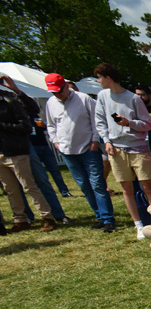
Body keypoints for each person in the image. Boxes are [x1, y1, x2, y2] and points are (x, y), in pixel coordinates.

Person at [44, 72, 116, 231]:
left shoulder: (83, 99)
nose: (57, 95)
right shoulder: (51, 103)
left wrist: (95, 141)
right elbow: (51, 125)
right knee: (84, 185)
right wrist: (55, 142)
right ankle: (99, 216)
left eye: (59, 91)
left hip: (88, 149)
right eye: (53, 92)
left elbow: (96, 121)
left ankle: (108, 219)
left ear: (66, 86)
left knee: (97, 184)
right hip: (67, 151)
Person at [94, 62, 151, 237]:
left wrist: (129, 123)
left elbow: (148, 124)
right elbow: (100, 121)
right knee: (126, 188)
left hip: (138, 148)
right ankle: (139, 225)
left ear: (108, 78)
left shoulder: (133, 98)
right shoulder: (102, 96)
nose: (98, 81)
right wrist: (106, 141)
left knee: (147, 187)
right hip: (115, 149)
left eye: (99, 78)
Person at [2, 76, 68, 227]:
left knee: (38, 181)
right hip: (5, 149)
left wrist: (16, 90)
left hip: (23, 146)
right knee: (13, 187)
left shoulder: (9, 98)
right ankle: (25, 218)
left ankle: (55, 215)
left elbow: (33, 109)